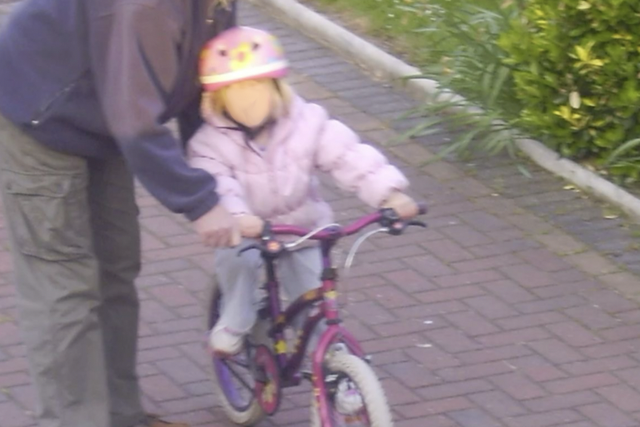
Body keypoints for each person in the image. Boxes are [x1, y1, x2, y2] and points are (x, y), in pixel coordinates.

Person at [0, 1, 240, 427]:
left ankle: (122, 416)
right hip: (42, 107)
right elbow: (137, 123)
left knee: (117, 264)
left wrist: (230, 177)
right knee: (65, 283)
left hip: (107, 110)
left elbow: (204, 88)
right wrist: (200, 202)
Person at [187, 26, 419, 358]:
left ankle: (331, 369)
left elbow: (347, 155)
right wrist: (238, 217)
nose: (248, 99)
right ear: (217, 98)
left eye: (257, 87)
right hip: (247, 231)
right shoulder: (210, 143)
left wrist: (390, 195)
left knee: (313, 303)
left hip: (303, 228)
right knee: (236, 260)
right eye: (234, 91)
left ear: (276, 87)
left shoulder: (306, 123)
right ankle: (236, 315)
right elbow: (218, 183)